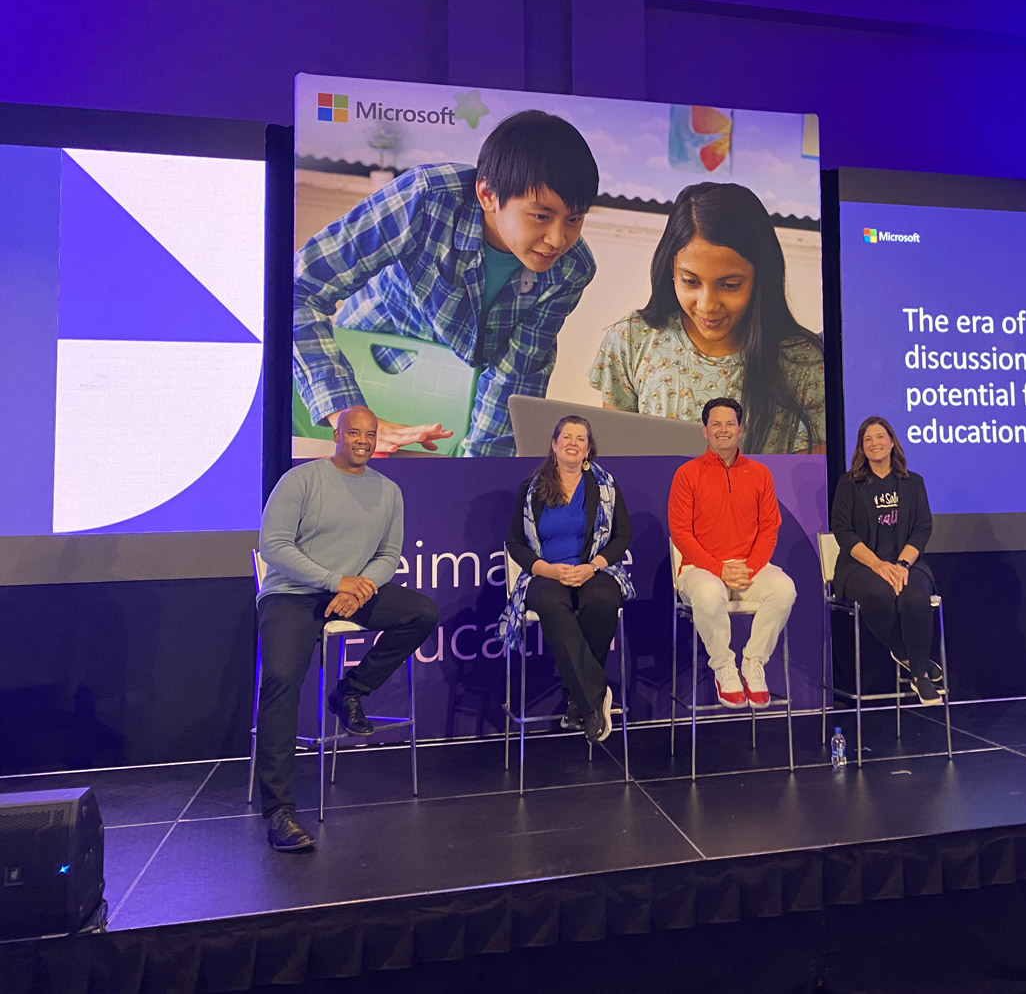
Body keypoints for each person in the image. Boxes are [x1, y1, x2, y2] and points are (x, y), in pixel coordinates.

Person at [294, 109, 600, 457]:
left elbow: (514, 376)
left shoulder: (571, 270)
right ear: (487, 195)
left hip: (455, 404)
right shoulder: (426, 197)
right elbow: (300, 288)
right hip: (366, 367)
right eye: (541, 216)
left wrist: (476, 477)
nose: (558, 240)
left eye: (574, 219)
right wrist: (344, 411)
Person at [255, 406, 439, 852]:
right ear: (337, 434)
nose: (363, 441)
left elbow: (388, 555)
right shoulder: (301, 480)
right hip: (293, 594)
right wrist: (335, 581)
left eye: (370, 434)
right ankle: (279, 811)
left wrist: (360, 588)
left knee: (420, 613)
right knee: (281, 680)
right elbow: (273, 545)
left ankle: (350, 691)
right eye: (354, 432)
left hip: (352, 591)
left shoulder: (388, 491)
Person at [590, 181, 824, 454]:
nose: (708, 305)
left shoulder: (802, 361)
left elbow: (810, 475)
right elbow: (615, 456)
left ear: (761, 278)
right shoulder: (633, 339)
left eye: (730, 285)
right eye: (691, 281)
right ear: (671, 269)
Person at [501, 415, 634, 743]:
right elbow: (515, 542)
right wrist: (545, 569)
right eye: (567, 437)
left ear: (588, 449)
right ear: (554, 444)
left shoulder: (605, 486)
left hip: (593, 570)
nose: (573, 444)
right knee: (550, 602)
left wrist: (593, 566)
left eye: (580, 439)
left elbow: (622, 535)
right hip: (547, 574)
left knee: (602, 600)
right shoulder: (531, 489)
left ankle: (579, 700)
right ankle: (595, 696)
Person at [668, 397, 796, 708]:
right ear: (704, 430)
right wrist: (718, 568)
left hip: (749, 567)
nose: (722, 430)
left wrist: (750, 567)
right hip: (699, 569)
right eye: (716, 424)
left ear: (741, 430)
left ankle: (753, 663)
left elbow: (769, 528)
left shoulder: (760, 473)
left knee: (784, 589)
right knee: (709, 593)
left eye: (729, 424)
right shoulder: (686, 474)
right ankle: (724, 667)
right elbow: (681, 533)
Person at [830, 416, 943, 706]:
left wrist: (902, 565)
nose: (874, 443)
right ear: (861, 447)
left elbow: (922, 529)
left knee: (914, 597)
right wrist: (878, 565)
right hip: (861, 566)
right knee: (879, 595)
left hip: (906, 562)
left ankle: (917, 671)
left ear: (892, 442)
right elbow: (843, 531)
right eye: (867, 439)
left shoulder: (913, 483)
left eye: (880, 437)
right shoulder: (849, 484)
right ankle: (916, 665)